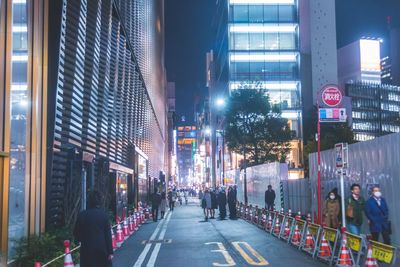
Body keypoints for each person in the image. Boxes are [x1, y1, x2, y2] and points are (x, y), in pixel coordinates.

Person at [74, 190, 113, 267]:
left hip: (86, 249)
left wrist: (78, 241)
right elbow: (108, 235)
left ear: (88, 201)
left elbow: (76, 233)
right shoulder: (104, 215)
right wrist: (110, 252)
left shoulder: (82, 215)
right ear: (99, 202)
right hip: (102, 249)